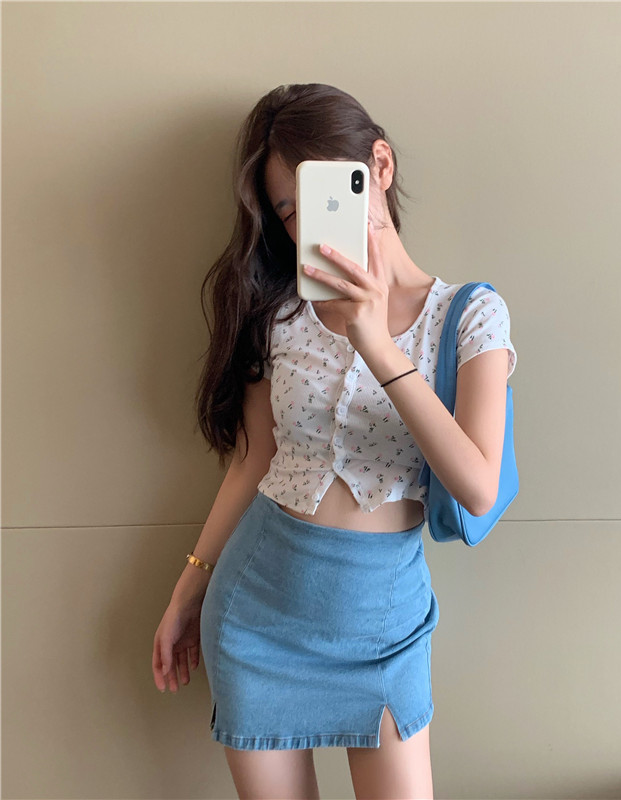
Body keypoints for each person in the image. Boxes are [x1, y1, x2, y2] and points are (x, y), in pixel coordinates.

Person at [152, 83, 517, 800]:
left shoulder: (470, 316)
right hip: (257, 618)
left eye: (324, 194)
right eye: (289, 210)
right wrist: (186, 592)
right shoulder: (280, 316)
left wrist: (375, 342)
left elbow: (477, 486)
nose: (307, 222)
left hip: (385, 630)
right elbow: (251, 463)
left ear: (379, 165)